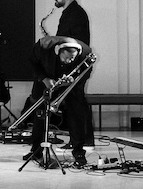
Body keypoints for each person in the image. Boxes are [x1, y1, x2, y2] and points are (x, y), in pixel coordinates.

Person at [25, 36, 94, 170]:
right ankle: (36, 151)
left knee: (76, 115)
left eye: (72, 58)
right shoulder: (42, 47)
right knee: (40, 115)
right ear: (58, 52)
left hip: (71, 85)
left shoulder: (85, 53)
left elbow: (87, 71)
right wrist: (44, 78)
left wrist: (73, 80)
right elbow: (33, 63)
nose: (69, 61)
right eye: (66, 58)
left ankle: (79, 152)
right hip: (46, 79)